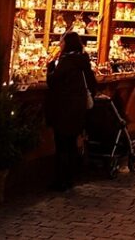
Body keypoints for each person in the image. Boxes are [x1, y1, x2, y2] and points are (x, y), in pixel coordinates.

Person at [45, 32, 97, 190]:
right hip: (78, 109)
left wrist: (50, 68)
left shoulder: (66, 61)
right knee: (71, 143)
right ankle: (69, 179)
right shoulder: (83, 61)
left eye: (62, 42)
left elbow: (53, 82)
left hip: (63, 108)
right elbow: (92, 84)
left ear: (67, 44)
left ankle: (60, 180)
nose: (60, 45)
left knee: (61, 145)